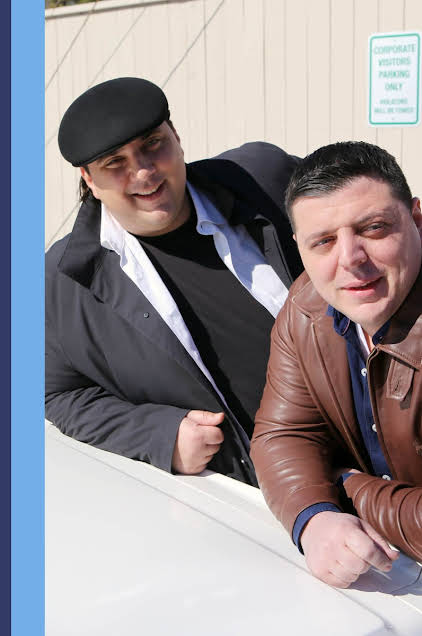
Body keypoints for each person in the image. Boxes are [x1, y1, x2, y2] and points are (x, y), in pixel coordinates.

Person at [45, 77, 303, 486]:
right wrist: (158, 435)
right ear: (89, 179)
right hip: (261, 499)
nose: (143, 172)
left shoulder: (264, 179)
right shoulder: (63, 280)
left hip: (381, 451)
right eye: (115, 163)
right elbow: (57, 394)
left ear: (176, 136)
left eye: (152, 144)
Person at [251, 141, 422, 587]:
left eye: (374, 228)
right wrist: (315, 517)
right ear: (299, 247)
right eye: (323, 241)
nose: (350, 259)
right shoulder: (305, 307)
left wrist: (345, 486)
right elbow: (284, 434)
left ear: (417, 219)